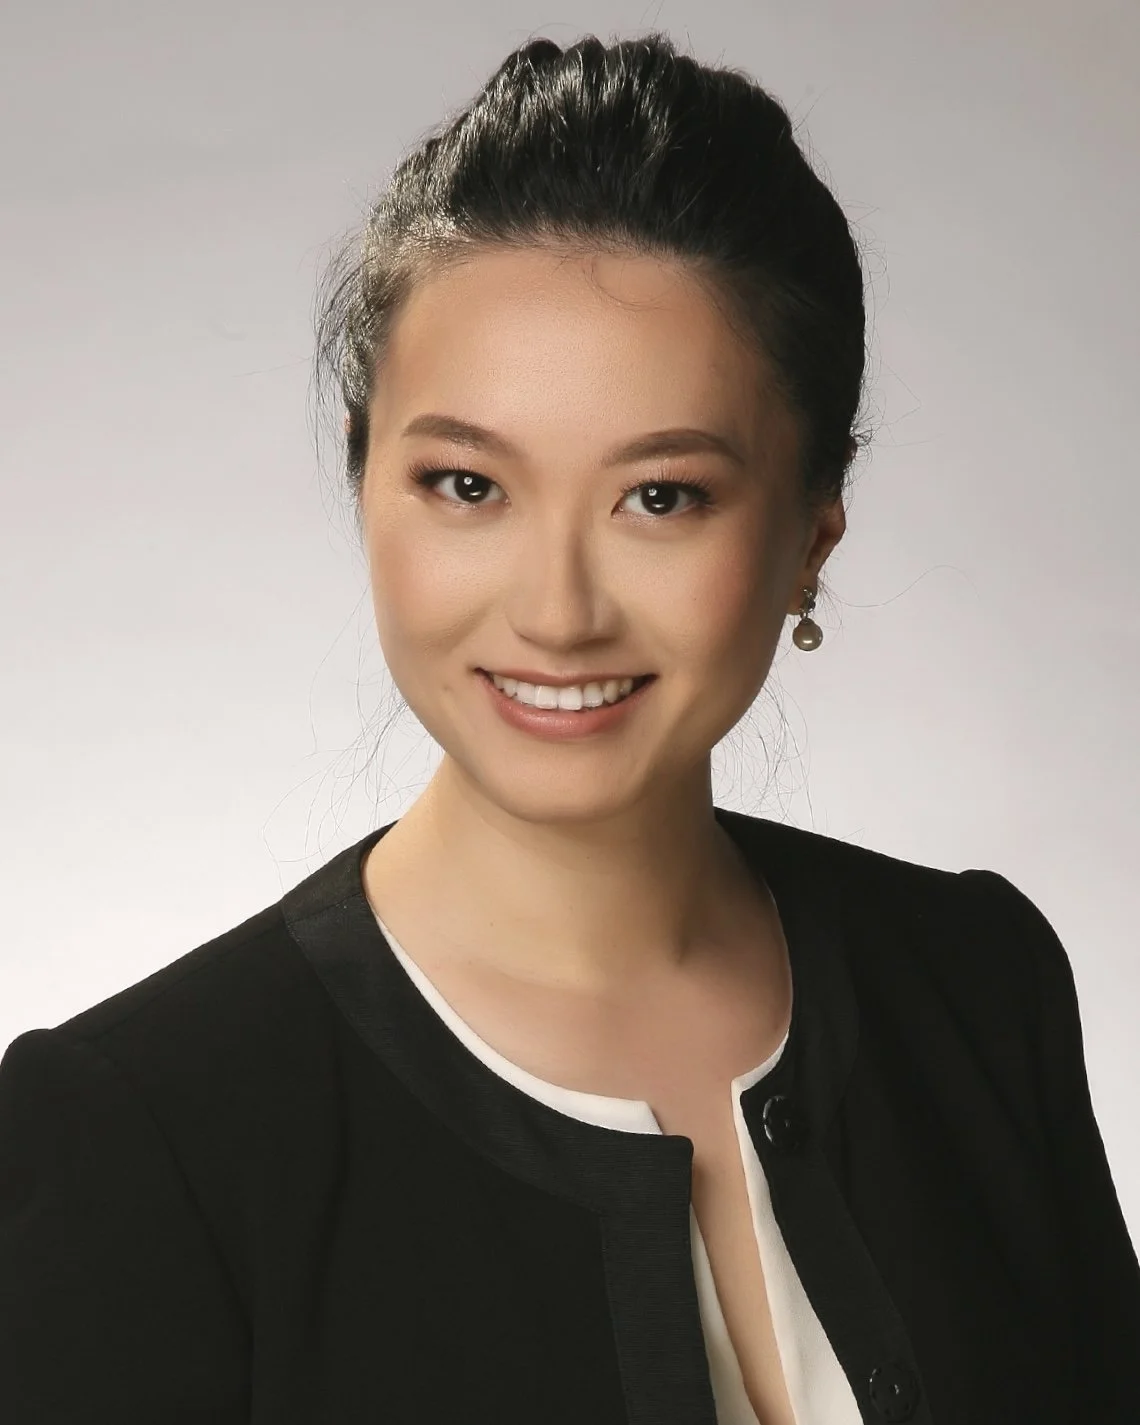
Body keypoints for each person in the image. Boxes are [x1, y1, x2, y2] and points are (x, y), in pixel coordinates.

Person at [2, 30, 1137, 1425]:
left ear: (808, 542)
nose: (556, 610)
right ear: (366, 486)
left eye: (660, 496)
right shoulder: (140, 1134)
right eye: (467, 483)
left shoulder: (976, 990)